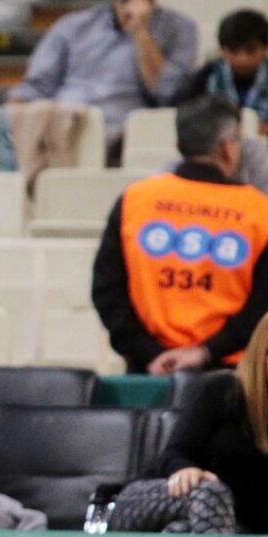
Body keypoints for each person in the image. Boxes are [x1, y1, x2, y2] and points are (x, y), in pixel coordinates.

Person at [92, 96, 268, 375]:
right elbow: (262, 306)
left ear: (178, 146)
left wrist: (151, 354)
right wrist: (205, 351)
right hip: (229, 380)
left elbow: (107, 292)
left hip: (148, 374)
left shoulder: (134, 201)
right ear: (227, 147)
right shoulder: (260, 211)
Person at [109, 312, 268, 534]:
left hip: (226, 523)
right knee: (211, 494)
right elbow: (173, 454)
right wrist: (187, 470)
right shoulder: (223, 389)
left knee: (183, 529)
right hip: (162, 495)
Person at [7, 0, 197, 155]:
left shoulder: (181, 28)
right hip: (63, 122)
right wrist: (9, 115)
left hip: (124, 132)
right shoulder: (72, 26)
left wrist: (140, 31)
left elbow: (167, 92)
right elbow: (36, 86)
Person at [179, 9, 268, 136]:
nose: (242, 59)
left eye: (251, 50)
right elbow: (187, 119)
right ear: (222, 50)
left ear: (265, 49)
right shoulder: (205, 76)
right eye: (234, 50)